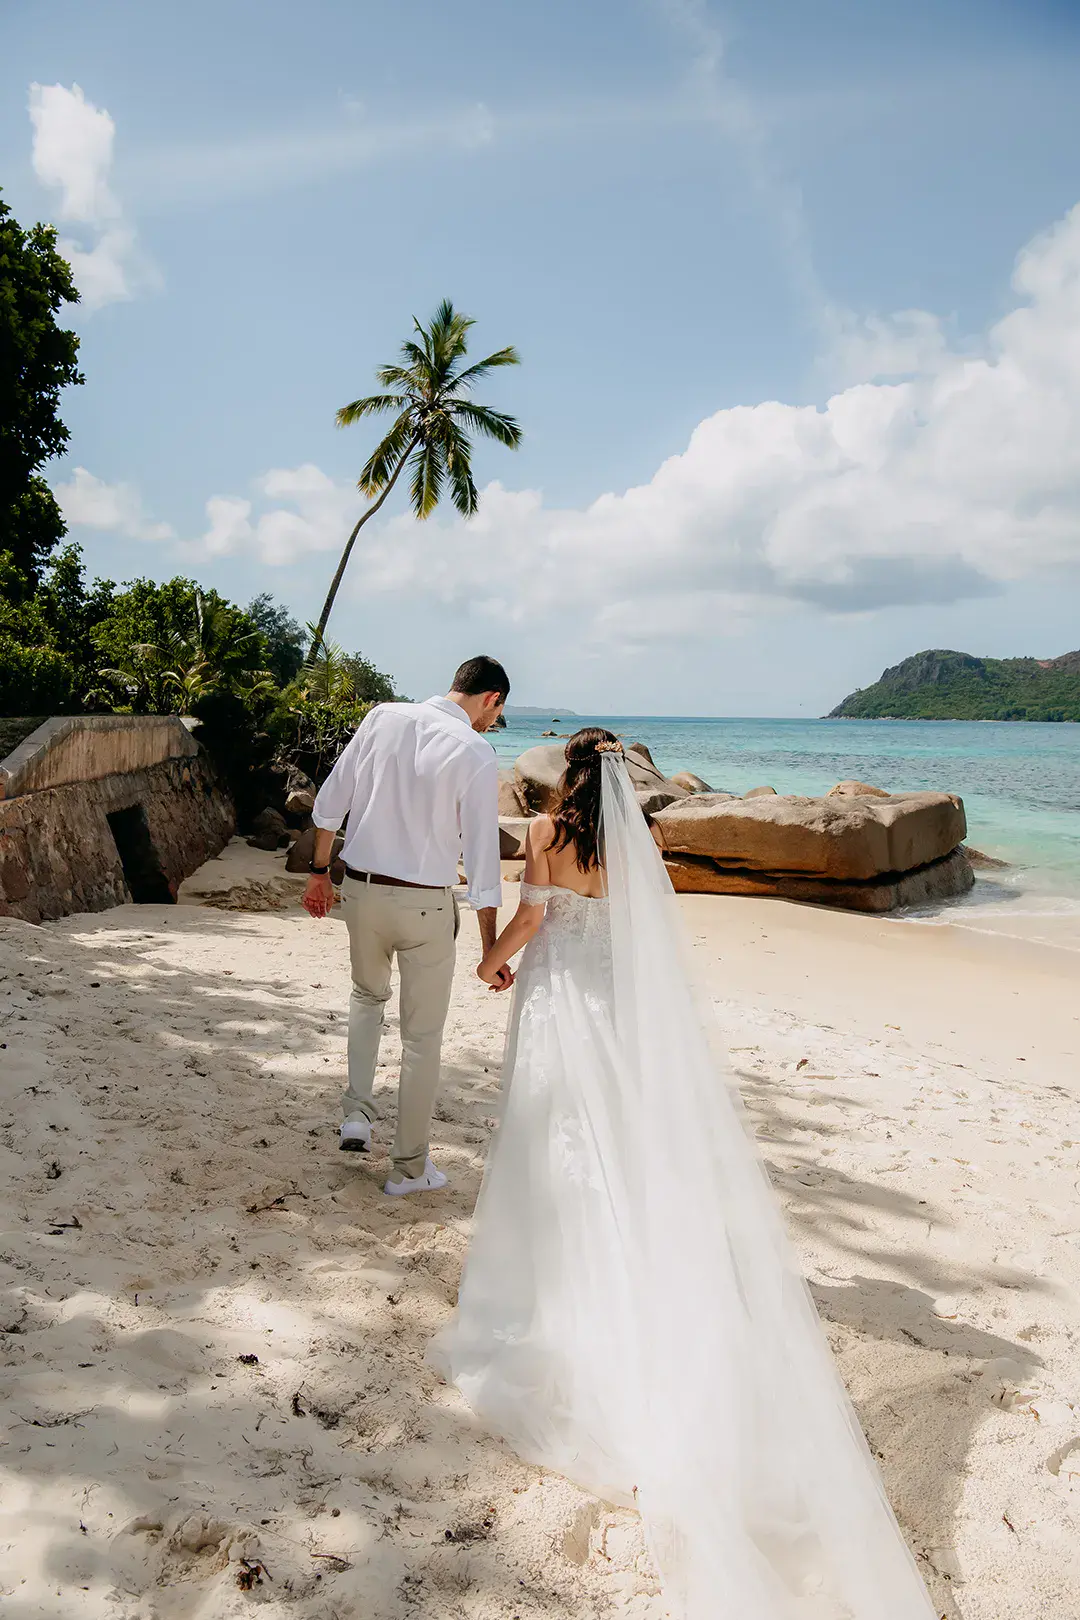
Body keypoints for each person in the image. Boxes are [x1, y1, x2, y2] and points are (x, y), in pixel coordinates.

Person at [429, 729, 939, 1620]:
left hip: (559, 996)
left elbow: (535, 918)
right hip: (612, 1000)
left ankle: (551, 1278)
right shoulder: (636, 840)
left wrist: (488, 960)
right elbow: (636, 930)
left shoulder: (547, 833)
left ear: (562, 776)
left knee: (550, 1130)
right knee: (610, 1132)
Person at [302, 655, 509, 1196]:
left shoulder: (382, 717)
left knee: (365, 998)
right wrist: (491, 951)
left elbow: (331, 801)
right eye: (497, 714)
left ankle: (355, 1116)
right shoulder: (475, 751)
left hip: (363, 894)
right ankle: (409, 1168)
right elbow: (484, 863)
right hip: (424, 905)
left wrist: (320, 874)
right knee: (421, 1039)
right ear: (491, 699)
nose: (492, 724)